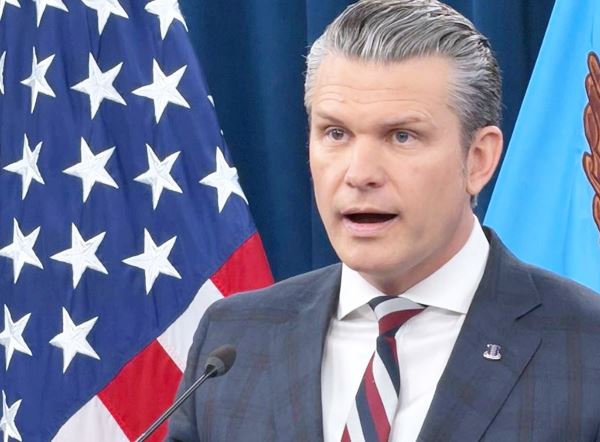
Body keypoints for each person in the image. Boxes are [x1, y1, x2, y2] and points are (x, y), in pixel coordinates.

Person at [167, 1, 600, 440]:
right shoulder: (234, 340)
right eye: (336, 133)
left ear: (478, 159)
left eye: (401, 136)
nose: (359, 174)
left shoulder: (587, 350)